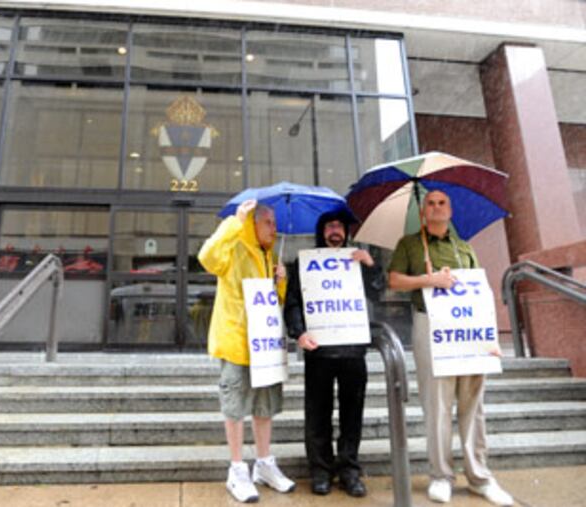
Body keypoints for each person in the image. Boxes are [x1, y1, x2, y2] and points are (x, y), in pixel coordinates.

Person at [387, 190, 514, 506]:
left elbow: (480, 295)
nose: (436, 207)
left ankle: (479, 476)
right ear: (423, 210)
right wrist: (428, 281)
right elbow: (394, 281)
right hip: (430, 326)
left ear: (450, 209)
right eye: (430, 203)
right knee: (438, 405)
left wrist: (491, 339)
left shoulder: (464, 248)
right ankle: (441, 476)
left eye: (442, 202)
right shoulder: (409, 244)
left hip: (468, 331)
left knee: (474, 404)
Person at [198, 199, 296, 503]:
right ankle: (237, 469)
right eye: (269, 223)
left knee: (264, 406)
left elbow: (272, 303)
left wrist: (281, 283)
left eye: (276, 225)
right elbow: (207, 257)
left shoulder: (269, 256)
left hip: (264, 345)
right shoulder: (235, 245)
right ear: (254, 224)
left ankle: (264, 463)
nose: (274, 230)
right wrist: (234, 222)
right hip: (236, 341)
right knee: (235, 406)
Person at [283, 209, 379, 498]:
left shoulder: (357, 259)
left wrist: (370, 266)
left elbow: (377, 292)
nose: (334, 230)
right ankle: (321, 470)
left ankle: (349, 469)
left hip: (352, 348)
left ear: (346, 231)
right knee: (317, 413)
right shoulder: (304, 262)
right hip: (319, 349)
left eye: (339, 226)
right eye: (329, 226)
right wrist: (298, 332)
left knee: (353, 412)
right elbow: (293, 302)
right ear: (321, 231)